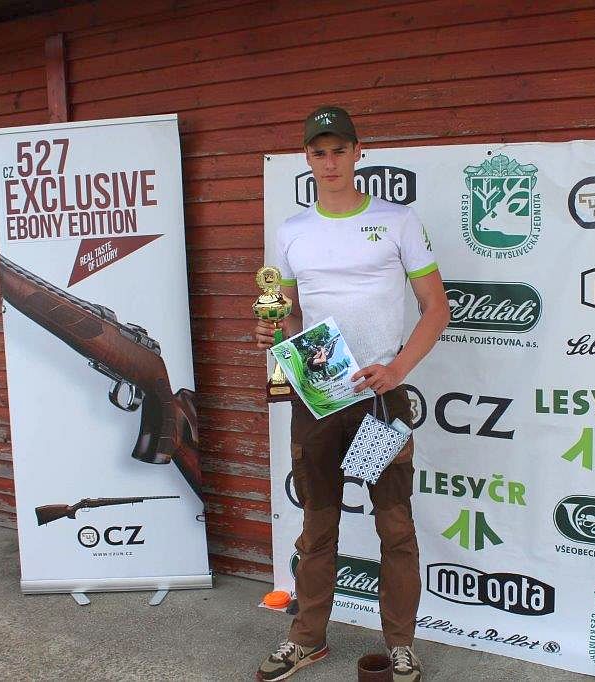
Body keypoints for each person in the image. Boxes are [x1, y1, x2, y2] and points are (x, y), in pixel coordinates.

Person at [254, 106, 449, 682]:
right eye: (319, 152)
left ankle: (401, 646)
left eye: (339, 150)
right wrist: (274, 332)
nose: (330, 162)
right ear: (307, 159)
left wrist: (398, 369)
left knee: (396, 529)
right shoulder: (291, 231)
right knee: (317, 528)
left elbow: (436, 308)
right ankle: (307, 639)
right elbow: (288, 316)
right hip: (317, 397)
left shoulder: (397, 220)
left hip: (381, 398)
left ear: (358, 153)